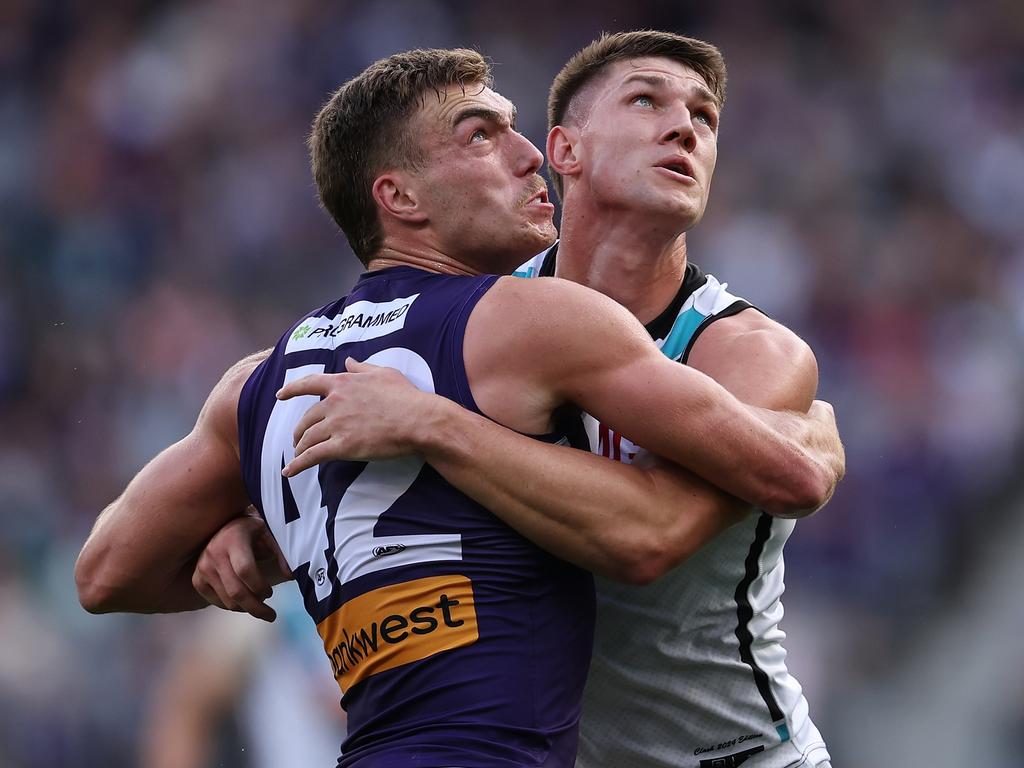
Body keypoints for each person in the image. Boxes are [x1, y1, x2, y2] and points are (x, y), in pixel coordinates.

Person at [75, 48, 842, 767]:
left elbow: (655, 535)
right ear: (568, 148)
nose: (685, 127)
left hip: (729, 753)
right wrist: (283, 523)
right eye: (647, 99)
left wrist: (423, 432)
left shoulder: (743, 351)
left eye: (705, 117)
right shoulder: (502, 322)